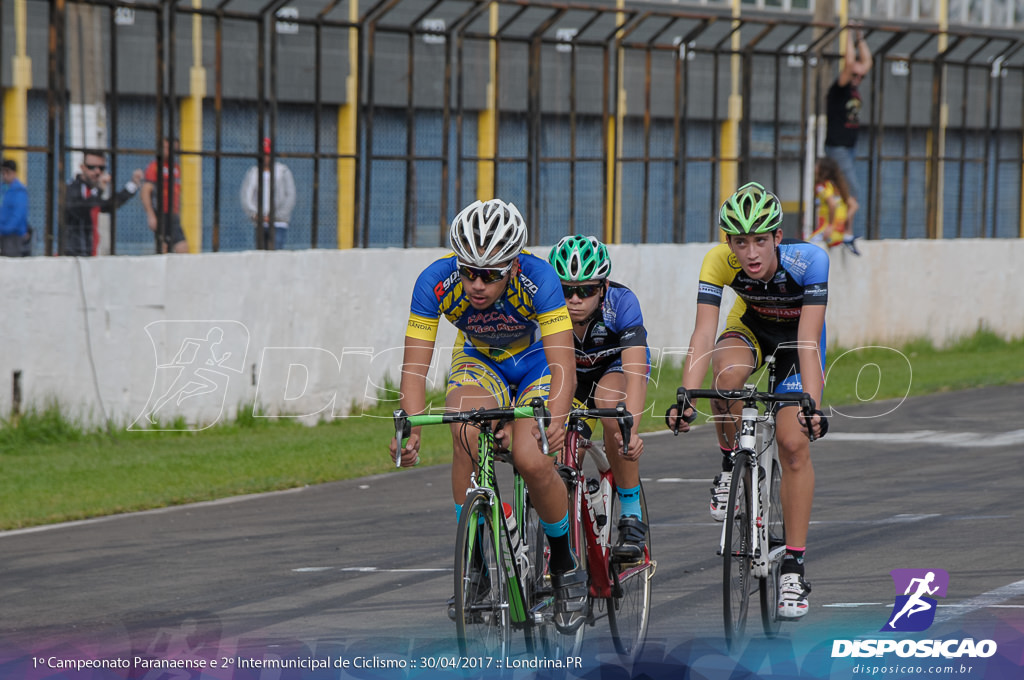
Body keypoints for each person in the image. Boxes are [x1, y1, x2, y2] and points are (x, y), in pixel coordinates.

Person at [389, 198, 587, 634]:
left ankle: (565, 565)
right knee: (462, 427)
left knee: (532, 459)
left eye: (491, 274)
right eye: (469, 272)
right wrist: (410, 423)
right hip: (482, 361)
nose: (477, 284)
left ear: (513, 267)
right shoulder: (435, 282)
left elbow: (563, 366)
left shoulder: (540, 279)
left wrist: (555, 418)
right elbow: (415, 366)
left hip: (537, 364)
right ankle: (475, 564)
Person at [666, 182, 829, 620]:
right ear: (729, 242)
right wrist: (685, 394)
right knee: (724, 376)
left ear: (778, 237)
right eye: (741, 242)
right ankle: (728, 463)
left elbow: (810, 341)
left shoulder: (810, 261)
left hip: (798, 343)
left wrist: (811, 402)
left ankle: (793, 564)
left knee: (793, 443)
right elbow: (703, 334)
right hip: (752, 327)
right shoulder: (718, 262)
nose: (751, 253)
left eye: (760, 240)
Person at [547, 235, 651, 560]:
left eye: (586, 290)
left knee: (610, 407)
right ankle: (560, 545)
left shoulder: (621, 302)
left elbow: (636, 371)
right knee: (562, 454)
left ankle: (631, 514)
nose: (574, 299)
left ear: (603, 287)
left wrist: (630, 429)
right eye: (566, 290)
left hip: (614, 370)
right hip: (571, 379)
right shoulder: (547, 311)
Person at [825, 24, 872, 238]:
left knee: (846, 190)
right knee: (851, 191)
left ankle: (844, 230)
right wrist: (848, 33)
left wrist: (860, 38)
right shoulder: (839, 88)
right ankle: (847, 232)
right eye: (855, 75)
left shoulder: (853, 87)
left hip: (849, 147)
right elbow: (851, 64)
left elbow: (866, 63)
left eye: (861, 77)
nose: (858, 78)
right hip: (838, 147)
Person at [63, 149, 144, 256]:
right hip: (74, 253)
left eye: (101, 168)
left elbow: (108, 206)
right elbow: (79, 210)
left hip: (91, 252)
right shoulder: (73, 187)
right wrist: (99, 190)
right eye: (92, 167)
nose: (97, 172)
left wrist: (132, 185)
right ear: (82, 167)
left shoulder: (94, 191)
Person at [240, 137, 295, 250]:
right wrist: (255, 214)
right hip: (259, 223)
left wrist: (275, 216)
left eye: (268, 154)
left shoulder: (283, 171)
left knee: (276, 254)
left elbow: (290, 196)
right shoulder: (253, 172)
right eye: (263, 154)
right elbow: (245, 195)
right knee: (261, 255)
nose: (266, 158)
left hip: (278, 223)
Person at [141, 137, 189, 253]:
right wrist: (151, 214)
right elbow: (145, 191)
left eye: (173, 148)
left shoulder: (176, 167)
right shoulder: (155, 167)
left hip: (173, 213)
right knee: (163, 247)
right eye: (166, 148)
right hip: (160, 212)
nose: (169, 151)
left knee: (182, 247)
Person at [811, 157, 860, 255]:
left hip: (826, 232)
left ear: (822, 169)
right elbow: (854, 206)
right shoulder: (838, 187)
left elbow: (832, 204)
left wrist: (829, 225)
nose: (815, 168)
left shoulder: (822, 186)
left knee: (806, 246)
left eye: (817, 165)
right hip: (839, 233)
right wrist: (844, 222)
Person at [0, 158, 29, 257]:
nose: (4, 175)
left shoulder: (19, 191)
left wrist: (4, 229)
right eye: (3, 172)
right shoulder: (3, 189)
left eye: (7, 172)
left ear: (14, 173)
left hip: (13, 236)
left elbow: (17, 215)